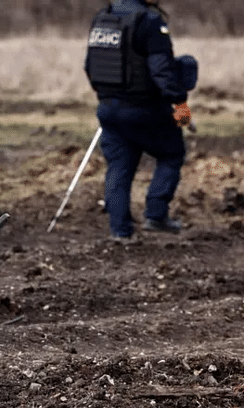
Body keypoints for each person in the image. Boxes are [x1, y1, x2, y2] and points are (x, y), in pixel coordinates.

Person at [84, 0, 193, 241]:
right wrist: (179, 102)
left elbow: (90, 66)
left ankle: (120, 232)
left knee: (119, 167)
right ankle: (156, 214)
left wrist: (110, 96)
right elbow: (161, 70)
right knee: (171, 154)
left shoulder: (104, 17)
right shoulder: (149, 21)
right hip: (145, 108)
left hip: (108, 109)